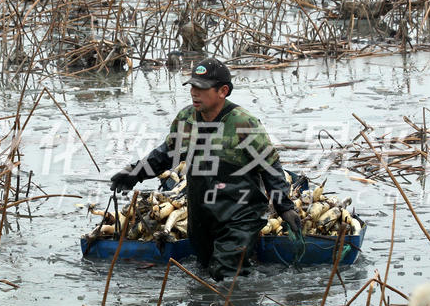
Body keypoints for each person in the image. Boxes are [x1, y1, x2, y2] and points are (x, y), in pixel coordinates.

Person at [109, 58, 303, 280]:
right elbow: (166, 154)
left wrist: (284, 206)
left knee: (227, 274)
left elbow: (271, 167)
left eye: (201, 88)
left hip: (240, 215)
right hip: (201, 213)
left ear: (223, 91)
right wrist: (135, 172)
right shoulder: (187, 119)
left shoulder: (244, 124)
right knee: (203, 273)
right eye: (192, 86)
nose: (194, 93)